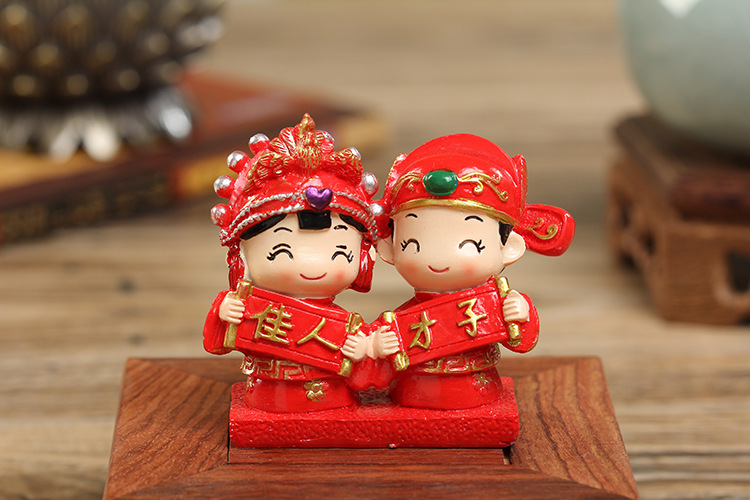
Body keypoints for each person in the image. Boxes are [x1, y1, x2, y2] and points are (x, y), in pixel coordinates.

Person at [372, 133, 575, 409]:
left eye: (469, 245)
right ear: (389, 249)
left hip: (479, 390)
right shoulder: (399, 320)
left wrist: (521, 312)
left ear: (509, 248)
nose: (439, 258)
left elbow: (521, 342)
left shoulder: (494, 304)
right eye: (413, 244)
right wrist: (376, 347)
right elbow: (372, 373)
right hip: (412, 393)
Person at [202, 114, 388, 413]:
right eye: (282, 251)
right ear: (242, 255)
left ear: (365, 256)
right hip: (267, 396)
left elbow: (370, 380)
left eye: (340, 253)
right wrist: (224, 313)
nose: (312, 265)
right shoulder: (249, 307)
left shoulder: (347, 326)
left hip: (331, 400)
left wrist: (367, 352)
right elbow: (219, 343)